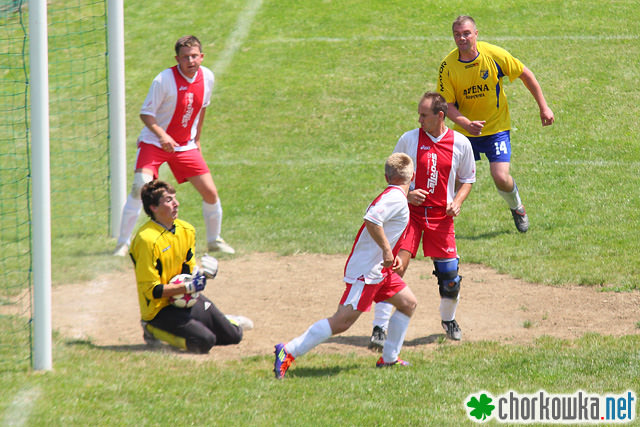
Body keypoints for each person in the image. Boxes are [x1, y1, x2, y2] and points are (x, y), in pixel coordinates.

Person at [273, 153, 418, 379]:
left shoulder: (395, 196)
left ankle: (389, 359)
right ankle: (288, 350)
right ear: (413, 176)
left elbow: (383, 225)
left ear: (386, 176)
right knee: (342, 322)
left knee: (408, 303)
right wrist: (387, 251)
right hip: (367, 272)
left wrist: (391, 252)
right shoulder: (396, 198)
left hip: (381, 270)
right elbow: (372, 219)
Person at [369, 92, 475, 349]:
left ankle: (448, 320)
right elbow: (393, 174)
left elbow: (468, 179)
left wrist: (457, 202)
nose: (419, 119)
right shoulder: (409, 139)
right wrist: (408, 193)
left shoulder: (461, 143)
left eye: (424, 115)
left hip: (441, 219)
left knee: (450, 279)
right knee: (395, 268)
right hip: (411, 217)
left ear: (440, 116)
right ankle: (379, 327)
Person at [114, 35, 235, 257]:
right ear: (177, 59)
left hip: (185, 146)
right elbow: (146, 114)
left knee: (210, 192)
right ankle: (123, 243)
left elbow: (202, 108)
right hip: (155, 143)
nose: (191, 61)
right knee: (139, 187)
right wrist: (162, 136)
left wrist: (196, 139)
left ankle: (214, 241)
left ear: (202, 56)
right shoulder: (163, 80)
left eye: (195, 56)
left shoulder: (207, 77)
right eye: (186, 57)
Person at [437, 15, 554, 233]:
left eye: (466, 33)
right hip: (465, 132)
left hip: (496, 129)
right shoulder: (448, 66)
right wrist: (465, 122)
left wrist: (543, 107)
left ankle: (517, 207)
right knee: (450, 179)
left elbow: (525, 74)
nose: (461, 38)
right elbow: (446, 104)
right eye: (457, 35)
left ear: (476, 34)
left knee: (500, 177)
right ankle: (438, 224)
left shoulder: (494, 55)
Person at [129, 179, 252, 353]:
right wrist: (188, 286)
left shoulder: (186, 230)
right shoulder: (146, 240)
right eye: (169, 200)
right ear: (153, 208)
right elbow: (152, 291)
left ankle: (225, 321)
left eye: (175, 198)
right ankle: (151, 330)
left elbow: (187, 272)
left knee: (233, 336)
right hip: (159, 310)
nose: (176, 204)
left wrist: (203, 274)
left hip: (185, 298)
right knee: (203, 342)